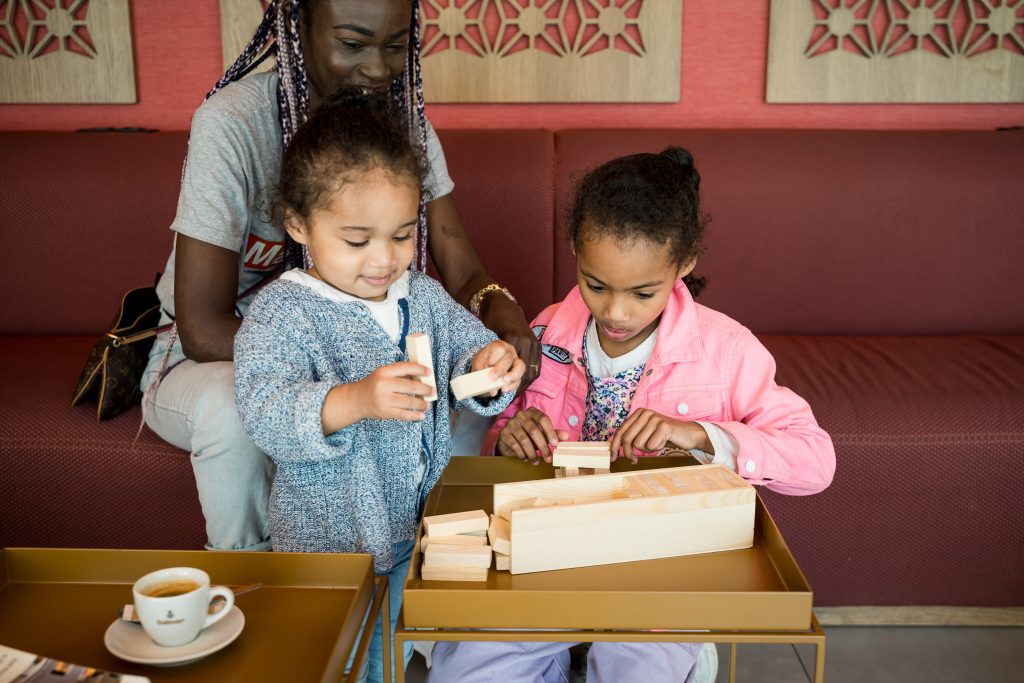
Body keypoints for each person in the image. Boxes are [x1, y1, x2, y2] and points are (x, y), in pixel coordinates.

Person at [140, 0, 538, 553]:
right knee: (234, 412)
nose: (378, 69)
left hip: (363, 353)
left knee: (449, 403)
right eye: (352, 44)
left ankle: (433, 561)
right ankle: (257, 580)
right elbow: (202, 328)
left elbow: (463, 271)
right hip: (217, 358)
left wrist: (495, 327)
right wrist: (354, 378)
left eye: (396, 46)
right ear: (297, 28)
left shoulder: (402, 127)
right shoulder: (233, 124)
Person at [429, 148, 836, 683]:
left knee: (637, 667)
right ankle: (572, 648)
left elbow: (815, 461)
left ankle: (669, 651)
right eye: (596, 285)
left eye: (643, 293)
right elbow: (501, 431)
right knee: (471, 671)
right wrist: (508, 436)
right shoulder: (547, 330)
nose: (616, 313)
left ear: (683, 264)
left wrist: (700, 435)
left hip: (662, 569)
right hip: (547, 554)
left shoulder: (728, 350)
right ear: (575, 249)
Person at [233, 88, 524, 682]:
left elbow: (470, 361)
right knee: (335, 660)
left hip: (413, 528)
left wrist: (493, 365)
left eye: (400, 235)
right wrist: (355, 399)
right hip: (330, 545)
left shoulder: (421, 295)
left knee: (388, 658)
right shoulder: (283, 314)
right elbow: (264, 409)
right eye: (357, 239)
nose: (384, 259)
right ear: (298, 224)